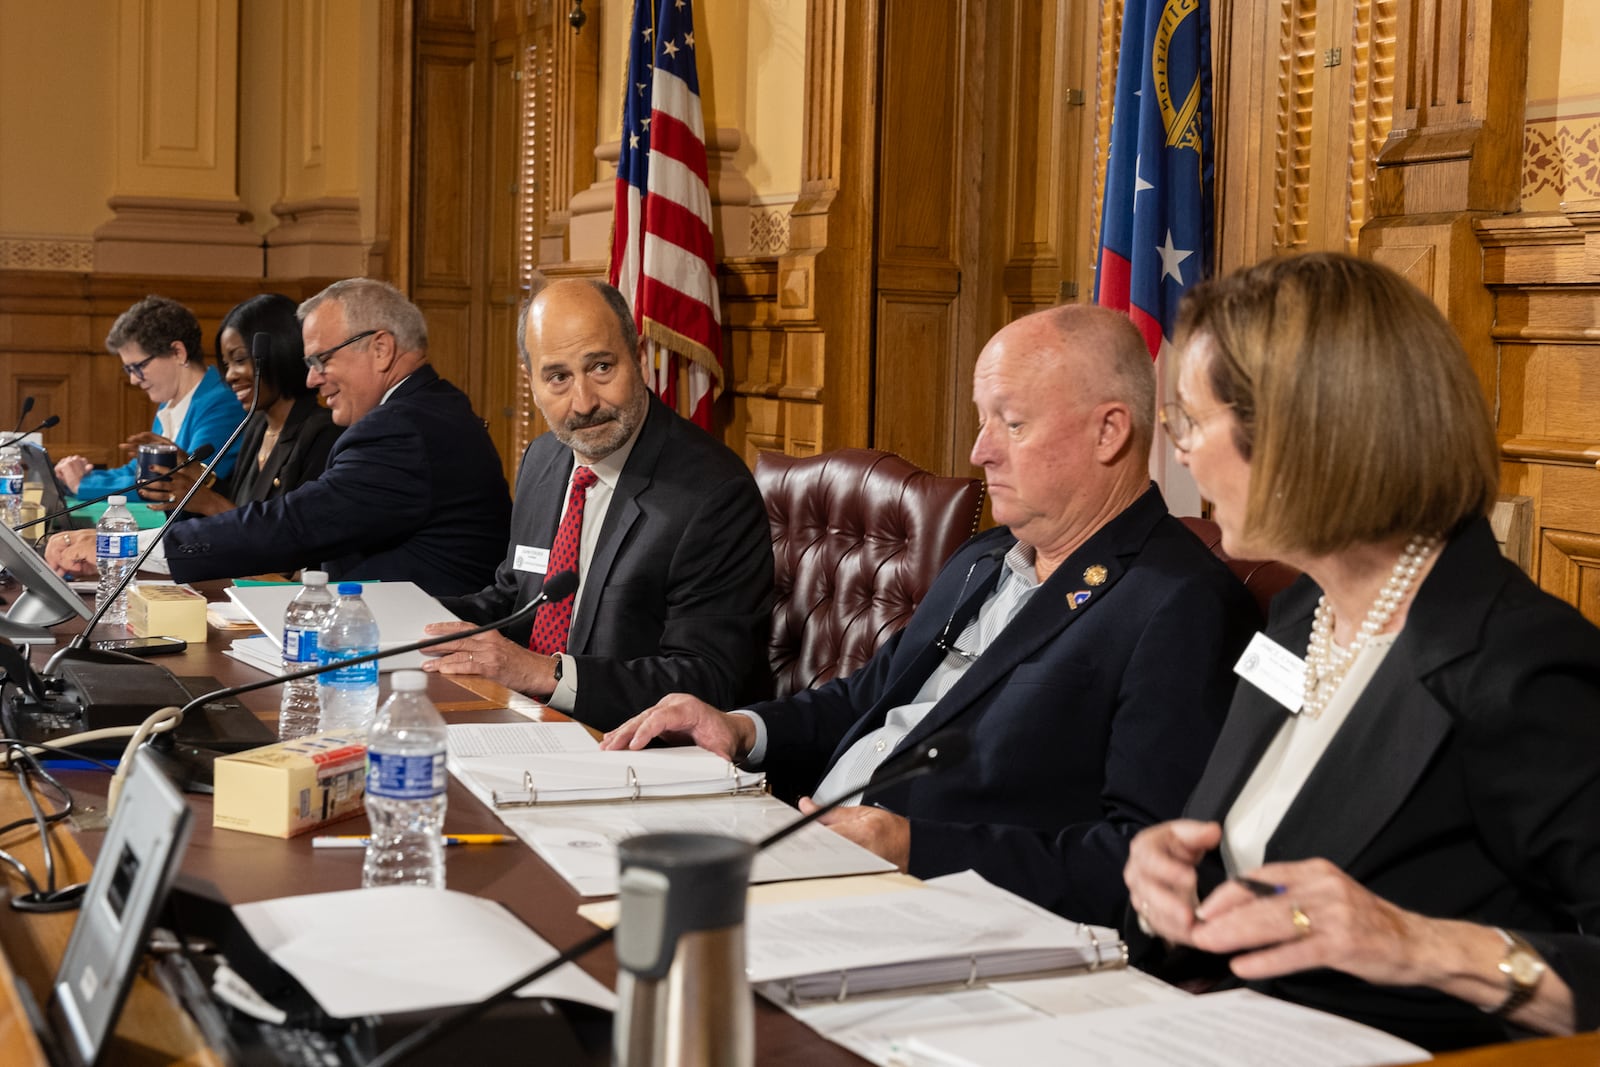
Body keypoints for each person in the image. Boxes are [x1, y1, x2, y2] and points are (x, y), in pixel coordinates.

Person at [602, 304, 1258, 926]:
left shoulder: (1177, 601)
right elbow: (868, 697)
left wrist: (918, 847)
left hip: (938, 912)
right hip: (807, 852)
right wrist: (740, 728)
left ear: (1108, 431)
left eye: (1013, 422)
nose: (980, 450)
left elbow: (1136, 860)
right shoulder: (983, 557)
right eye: (982, 420)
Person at [1122, 252, 1600, 1049]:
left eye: (1192, 422)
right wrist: (1166, 873)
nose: (1179, 455)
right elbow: (1254, 847)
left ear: (1305, 436)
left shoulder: (1520, 666)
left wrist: (1419, 944)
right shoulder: (1300, 615)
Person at [421, 279, 774, 730]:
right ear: (531, 382)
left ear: (640, 357)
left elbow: (707, 678)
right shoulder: (544, 458)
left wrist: (537, 671)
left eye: (601, 367)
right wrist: (411, 620)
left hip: (637, 748)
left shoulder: (713, 494)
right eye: (558, 377)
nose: (583, 403)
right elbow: (516, 596)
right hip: (532, 723)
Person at [45, 279, 511, 596]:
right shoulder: (421, 410)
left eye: (321, 360)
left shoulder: (403, 427)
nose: (313, 380)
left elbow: (294, 524)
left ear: (382, 348)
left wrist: (127, 548)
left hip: (419, 655)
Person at [142, 293, 342, 516]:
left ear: (280, 349)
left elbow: (292, 535)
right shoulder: (258, 426)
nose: (230, 376)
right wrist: (195, 473)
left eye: (239, 360)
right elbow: (243, 505)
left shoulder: (323, 433)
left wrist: (210, 504)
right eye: (226, 365)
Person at [54, 295, 244, 498]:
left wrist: (85, 486)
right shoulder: (169, 402)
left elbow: (176, 483)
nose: (134, 380)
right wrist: (80, 477)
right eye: (129, 369)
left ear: (178, 352)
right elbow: (140, 471)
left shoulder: (223, 403)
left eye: (138, 367)